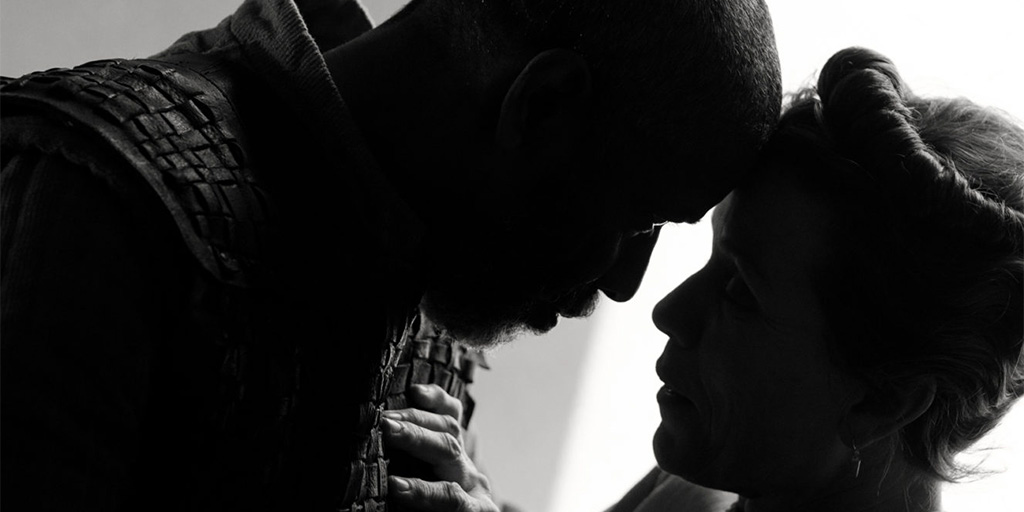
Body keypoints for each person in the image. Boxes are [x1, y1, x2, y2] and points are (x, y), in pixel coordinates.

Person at [0, 0, 782, 510]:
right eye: (635, 222)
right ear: (539, 106)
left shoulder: (423, 272)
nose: (622, 286)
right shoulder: (96, 198)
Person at [379, 47, 1024, 512]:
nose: (668, 311)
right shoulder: (697, 488)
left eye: (741, 291)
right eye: (712, 260)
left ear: (882, 402)